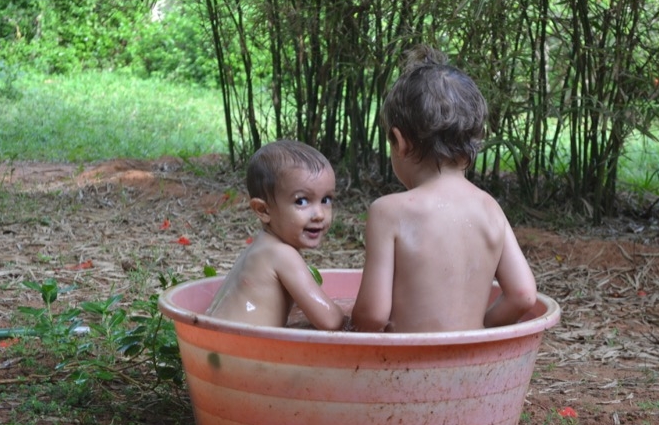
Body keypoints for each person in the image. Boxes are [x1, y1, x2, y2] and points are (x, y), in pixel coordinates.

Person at [350, 45, 537, 332]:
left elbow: (373, 316)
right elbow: (523, 295)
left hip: (404, 358)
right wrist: (479, 329)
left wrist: (345, 327)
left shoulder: (388, 212)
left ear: (400, 142)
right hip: (470, 357)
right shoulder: (490, 208)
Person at [206, 139, 346, 330]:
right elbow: (330, 321)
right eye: (302, 201)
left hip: (214, 342)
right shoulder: (281, 254)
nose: (319, 214)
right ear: (263, 210)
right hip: (241, 348)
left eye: (326, 199)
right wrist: (351, 321)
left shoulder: (260, 248)